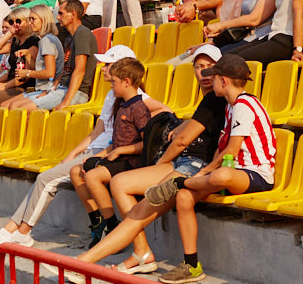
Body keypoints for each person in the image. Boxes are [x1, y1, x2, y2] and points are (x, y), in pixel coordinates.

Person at [0, 46, 167, 249]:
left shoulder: (136, 98)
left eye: (108, 64)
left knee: (46, 180)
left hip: (105, 154)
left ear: (124, 72)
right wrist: (73, 152)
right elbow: (97, 132)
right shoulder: (112, 95)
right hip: (95, 150)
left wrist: (143, 132)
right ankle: (11, 229)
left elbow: (165, 110)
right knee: (48, 176)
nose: (102, 68)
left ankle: (20, 232)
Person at [71, 46, 226, 271]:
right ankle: (141, 251)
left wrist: (161, 161)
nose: (204, 73)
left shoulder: (216, 100)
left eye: (209, 67)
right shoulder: (208, 101)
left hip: (192, 166)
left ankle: (84, 262)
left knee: (140, 212)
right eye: (199, 67)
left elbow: (182, 141)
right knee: (119, 182)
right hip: (181, 161)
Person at [69, 57, 153, 246]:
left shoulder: (139, 108)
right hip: (117, 156)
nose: (111, 85)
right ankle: (97, 221)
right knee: (77, 171)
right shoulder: (122, 106)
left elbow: (146, 143)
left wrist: (120, 151)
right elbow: (115, 142)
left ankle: (112, 224)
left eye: (114, 81)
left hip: (131, 161)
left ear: (126, 82)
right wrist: (99, 156)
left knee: (92, 177)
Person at [5, 0, 96, 112]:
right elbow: (64, 71)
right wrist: (49, 91)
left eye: (61, 13)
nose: (57, 18)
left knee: (22, 109)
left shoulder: (82, 34)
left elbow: (79, 71)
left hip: (76, 92)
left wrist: (65, 102)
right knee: (13, 106)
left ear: (73, 14)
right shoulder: (69, 38)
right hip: (61, 88)